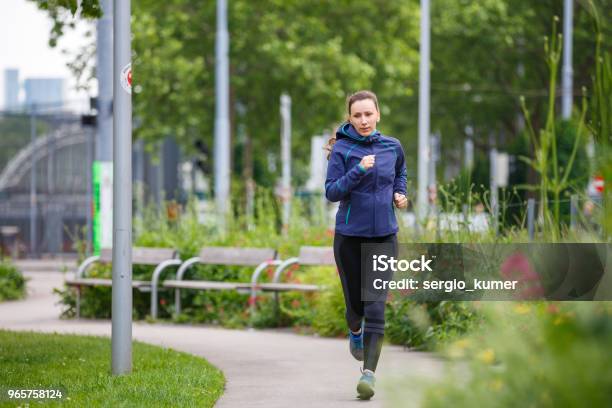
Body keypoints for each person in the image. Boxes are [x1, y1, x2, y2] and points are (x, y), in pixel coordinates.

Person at [324, 90, 408, 400]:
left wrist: (400, 195)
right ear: (349, 118)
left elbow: (400, 173)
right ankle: (354, 332)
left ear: (378, 114)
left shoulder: (392, 147)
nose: (363, 120)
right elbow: (331, 191)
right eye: (357, 115)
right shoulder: (343, 150)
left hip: (384, 236)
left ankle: (369, 376)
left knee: (375, 306)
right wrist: (358, 170)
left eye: (368, 114)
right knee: (355, 308)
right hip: (349, 238)